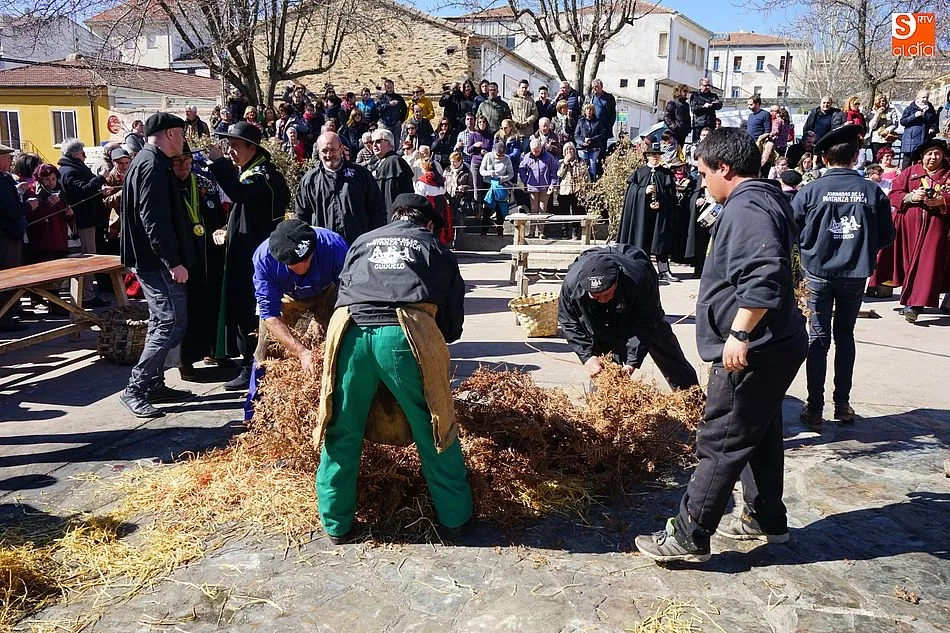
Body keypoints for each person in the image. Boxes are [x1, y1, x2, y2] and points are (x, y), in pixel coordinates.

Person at [634, 127, 807, 564]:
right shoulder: (766, 197)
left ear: (724, 168)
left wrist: (740, 333)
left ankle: (689, 534)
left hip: (754, 348)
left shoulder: (747, 206)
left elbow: (765, 273)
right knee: (760, 432)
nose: (701, 181)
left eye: (703, 172)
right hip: (778, 342)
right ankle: (765, 517)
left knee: (721, 439)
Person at [314, 193, 471, 544]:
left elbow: (343, 290)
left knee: (342, 429)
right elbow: (452, 319)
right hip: (403, 337)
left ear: (394, 218)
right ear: (428, 223)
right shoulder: (434, 246)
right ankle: (455, 518)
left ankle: (335, 524)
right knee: (435, 426)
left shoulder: (363, 241)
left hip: (348, 334)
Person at [792, 125, 894, 430]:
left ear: (824, 158)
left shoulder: (810, 190)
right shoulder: (872, 191)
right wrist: (860, 249)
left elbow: (791, 227)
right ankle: (842, 404)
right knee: (845, 336)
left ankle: (814, 408)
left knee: (818, 337)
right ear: (855, 157)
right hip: (855, 273)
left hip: (818, 273)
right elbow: (887, 236)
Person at [118, 112, 195, 417]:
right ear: (171, 134)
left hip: (151, 259)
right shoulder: (151, 165)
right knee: (169, 323)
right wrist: (173, 261)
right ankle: (135, 388)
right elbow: (154, 221)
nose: (185, 140)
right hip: (156, 262)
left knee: (164, 322)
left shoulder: (148, 160)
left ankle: (153, 383)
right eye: (182, 133)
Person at [207, 121, 291, 391]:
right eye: (227, 147)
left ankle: (251, 364)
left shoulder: (264, 175)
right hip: (243, 249)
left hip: (257, 255)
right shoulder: (249, 171)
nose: (230, 152)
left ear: (252, 148)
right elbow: (246, 213)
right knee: (242, 305)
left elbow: (241, 195)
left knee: (251, 308)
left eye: (234, 147)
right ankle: (248, 360)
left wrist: (218, 164)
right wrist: (226, 229)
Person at [559, 245, 699, 389]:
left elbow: (645, 322)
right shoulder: (572, 286)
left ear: (616, 282)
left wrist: (632, 362)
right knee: (603, 353)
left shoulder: (639, 279)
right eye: (596, 296)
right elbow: (569, 322)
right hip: (596, 311)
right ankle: (602, 402)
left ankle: (691, 396)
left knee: (659, 337)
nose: (602, 299)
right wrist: (587, 357)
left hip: (636, 292)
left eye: (606, 294)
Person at [248, 218, 349, 416]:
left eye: (306, 261)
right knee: (265, 351)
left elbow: (349, 294)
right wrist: (301, 351)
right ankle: (256, 413)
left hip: (327, 290)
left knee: (338, 342)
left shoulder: (334, 245)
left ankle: (339, 403)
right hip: (287, 295)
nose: (302, 267)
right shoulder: (263, 259)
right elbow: (269, 313)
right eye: (294, 265)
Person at [869, 138, 949, 322]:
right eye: (929, 153)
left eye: (937, 153)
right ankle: (909, 299)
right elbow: (893, 195)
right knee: (907, 266)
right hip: (907, 231)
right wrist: (911, 197)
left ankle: (914, 304)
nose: (933, 157)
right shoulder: (910, 172)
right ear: (922, 156)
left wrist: (942, 200)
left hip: (937, 230)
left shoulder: (948, 174)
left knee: (927, 265)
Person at [171, 142, 226, 380]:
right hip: (183, 260)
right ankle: (185, 360)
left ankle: (213, 351)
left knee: (211, 302)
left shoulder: (203, 182)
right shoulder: (167, 188)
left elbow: (218, 215)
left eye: (187, 161)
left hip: (208, 253)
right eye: (178, 161)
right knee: (187, 310)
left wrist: (221, 230)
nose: (183, 165)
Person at [295, 131, 386, 245]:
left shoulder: (361, 175)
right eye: (324, 151)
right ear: (318, 152)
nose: (329, 155)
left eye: (333, 149)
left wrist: (373, 239)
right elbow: (302, 218)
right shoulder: (309, 181)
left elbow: (377, 208)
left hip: (359, 246)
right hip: (325, 248)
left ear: (341, 149)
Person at [57, 138, 113, 307]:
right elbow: (82, 191)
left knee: (89, 255)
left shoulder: (72, 169)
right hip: (83, 221)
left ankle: (87, 292)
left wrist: (99, 190)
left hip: (87, 218)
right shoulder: (69, 171)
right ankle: (86, 295)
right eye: (82, 152)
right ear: (75, 154)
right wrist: (101, 179)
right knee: (87, 257)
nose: (84, 155)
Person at [617, 142, 678, 283]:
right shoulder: (640, 173)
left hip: (660, 213)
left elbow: (671, 194)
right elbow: (631, 193)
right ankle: (642, 268)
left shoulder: (666, 173)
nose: (655, 157)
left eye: (657, 154)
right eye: (652, 155)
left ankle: (664, 270)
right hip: (642, 215)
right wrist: (643, 191)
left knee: (660, 240)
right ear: (647, 156)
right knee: (641, 238)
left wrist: (661, 196)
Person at [0, 143, 35, 331]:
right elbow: (8, 210)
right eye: (7, 157)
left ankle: (12, 310)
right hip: (6, 236)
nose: (11, 160)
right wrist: (28, 206)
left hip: (11, 234)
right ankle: (5, 317)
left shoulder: (5, 179)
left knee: (13, 275)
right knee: (8, 277)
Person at [369, 128, 414, 219]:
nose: (374, 145)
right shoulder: (374, 162)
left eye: (378, 141)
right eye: (372, 142)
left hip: (392, 215)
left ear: (389, 143)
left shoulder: (395, 161)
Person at [479, 141, 514, 235]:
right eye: (498, 155)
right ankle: (484, 231)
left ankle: (500, 231)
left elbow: (511, 174)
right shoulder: (488, 156)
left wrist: (503, 178)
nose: (500, 157)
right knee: (487, 209)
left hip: (501, 185)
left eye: (502, 155)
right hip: (488, 184)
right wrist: (489, 173)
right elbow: (481, 171)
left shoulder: (507, 159)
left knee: (500, 208)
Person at [557, 142, 590, 239]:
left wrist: (586, 187)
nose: (569, 151)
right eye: (567, 150)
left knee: (577, 211)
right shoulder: (560, 162)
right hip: (564, 190)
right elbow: (559, 174)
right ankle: (565, 231)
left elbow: (586, 175)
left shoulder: (581, 161)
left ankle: (575, 232)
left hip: (577, 190)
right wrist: (565, 163)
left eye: (571, 149)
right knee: (564, 212)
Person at [899, 90, 939, 169]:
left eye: (927, 97)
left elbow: (935, 122)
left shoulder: (930, 109)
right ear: (918, 98)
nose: (925, 99)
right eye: (923, 97)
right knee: (907, 162)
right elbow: (903, 121)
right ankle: (905, 178)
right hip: (911, 139)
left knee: (920, 162)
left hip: (925, 139)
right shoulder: (910, 108)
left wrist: (933, 128)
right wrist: (914, 116)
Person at [519, 137, 559, 214]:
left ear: (541, 148)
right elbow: (522, 169)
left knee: (542, 209)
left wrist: (552, 184)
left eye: (538, 151)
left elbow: (554, 171)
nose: (536, 153)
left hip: (545, 187)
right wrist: (526, 180)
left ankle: (540, 226)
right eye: (534, 151)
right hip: (532, 187)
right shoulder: (527, 157)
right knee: (533, 210)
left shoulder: (549, 157)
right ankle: (533, 226)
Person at [575, 103, 605, 181]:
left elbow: (602, 134)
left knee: (592, 164)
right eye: (587, 109)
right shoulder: (580, 121)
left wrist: (592, 140)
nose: (589, 111)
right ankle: (583, 182)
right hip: (582, 147)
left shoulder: (598, 121)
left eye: (591, 109)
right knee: (583, 165)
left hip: (594, 147)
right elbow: (576, 135)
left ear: (593, 111)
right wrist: (582, 143)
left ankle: (592, 183)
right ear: (585, 111)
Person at [586, 79, 617, 153]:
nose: (594, 89)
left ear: (601, 87)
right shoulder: (589, 98)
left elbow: (613, 114)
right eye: (593, 87)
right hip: (592, 129)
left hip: (603, 129)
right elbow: (584, 112)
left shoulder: (609, 98)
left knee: (601, 151)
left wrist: (609, 126)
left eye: (596, 87)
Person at [376, 79, 408, 147]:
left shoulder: (398, 98)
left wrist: (401, 120)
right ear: (385, 88)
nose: (390, 89)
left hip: (396, 124)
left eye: (391, 87)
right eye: (388, 88)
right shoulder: (381, 97)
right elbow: (378, 109)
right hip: (384, 124)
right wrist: (388, 104)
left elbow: (404, 109)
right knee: (383, 142)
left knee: (396, 143)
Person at [444, 151, 473, 226]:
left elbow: (471, 186)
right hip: (449, 198)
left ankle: (458, 238)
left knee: (459, 222)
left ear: (460, 161)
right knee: (448, 221)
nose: (452, 164)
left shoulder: (467, 171)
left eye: (455, 162)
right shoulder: (447, 170)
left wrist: (464, 187)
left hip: (461, 199)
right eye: (451, 162)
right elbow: (443, 183)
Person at [689, 77, 722, 142]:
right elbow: (694, 109)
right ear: (700, 86)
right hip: (699, 125)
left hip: (710, 124)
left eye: (708, 85)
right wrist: (704, 106)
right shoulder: (695, 96)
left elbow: (719, 105)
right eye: (705, 85)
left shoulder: (713, 96)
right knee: (697, 144)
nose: (707, 87)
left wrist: (713, 105)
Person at [867, 94, 899, 158]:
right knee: (876, 158)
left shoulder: (891, 110)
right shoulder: (872, 112)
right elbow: (872, 126)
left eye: (883, 101)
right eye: (880, 101)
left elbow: (895, 123)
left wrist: (887, 130)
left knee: (887, 156)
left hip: (887, 138)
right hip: (876, 139)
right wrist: (877, 115)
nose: (882, 103)